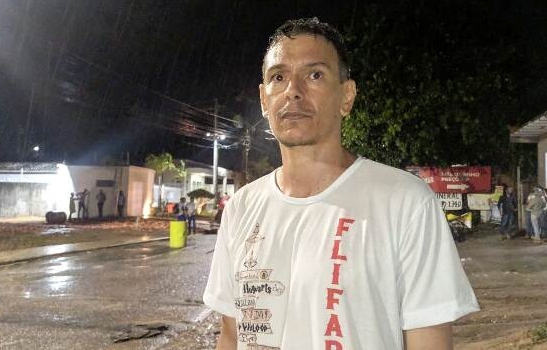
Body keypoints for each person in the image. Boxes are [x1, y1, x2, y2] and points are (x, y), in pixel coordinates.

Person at [204, 18, 479, 350]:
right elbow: (231, 336)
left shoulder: (405, 201)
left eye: (315, 75)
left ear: (346, 96)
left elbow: (429, 342)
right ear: (264, 99)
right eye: (278, 77)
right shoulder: (241, 208)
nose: (293, 90)